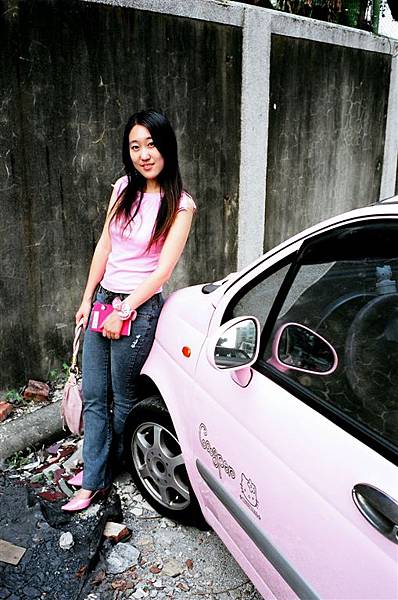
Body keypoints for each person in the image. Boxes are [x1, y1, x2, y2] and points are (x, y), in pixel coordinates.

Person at [62, 109, 196, 511]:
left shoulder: (181, 205)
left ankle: (100, 476)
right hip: (105, 300)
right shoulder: (122, 187)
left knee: (123, 397)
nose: (144, 154)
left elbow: (163, 270)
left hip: (136, 309)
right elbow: (105, 246)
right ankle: (97, 471)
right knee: (93, 394)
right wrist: (88, 299)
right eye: (135, 146)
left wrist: (126, 308)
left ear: (166, 146)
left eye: (151, 144)